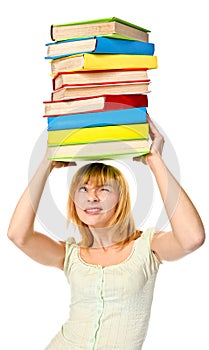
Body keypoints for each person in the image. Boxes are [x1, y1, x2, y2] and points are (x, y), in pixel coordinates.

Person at [7, 114, 205, 349]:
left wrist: (155, 160)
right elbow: (18, 235)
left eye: (103, 189)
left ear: (121, 199)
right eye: (83, 188)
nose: (91, 196)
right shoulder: (71, 255)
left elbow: (192, 238)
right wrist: (46, 163)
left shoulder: (147, 247)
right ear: (74, 202)